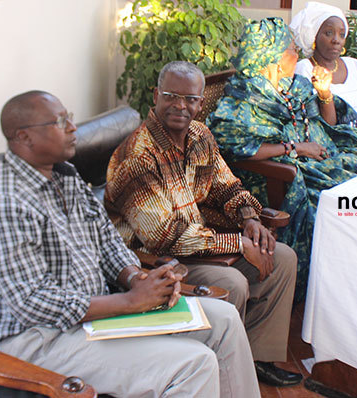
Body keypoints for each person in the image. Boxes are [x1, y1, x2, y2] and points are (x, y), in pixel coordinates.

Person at [0, 91, 259, 397]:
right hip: (41, 339)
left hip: (98, 313)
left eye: (69, 117)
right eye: (61, 122)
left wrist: (138, 279)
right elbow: (32, 300)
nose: (73, 127)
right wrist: (128, 302)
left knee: (224, 319)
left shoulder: (66, 176)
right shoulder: (3, 197)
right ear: (24, 137)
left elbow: (107, 239)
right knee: (195, 363)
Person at [104, 61, 302, 387]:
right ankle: (213, 369)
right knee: (233, 283)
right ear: (155, 96)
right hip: (154, 260)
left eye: (191, 99)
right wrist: (238, 244)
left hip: (197, 243)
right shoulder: (137, 156)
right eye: (171, 96)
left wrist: (249, 219)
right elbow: (163, 236)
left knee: (283, 257)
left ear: (200, 102)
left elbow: (226, 185)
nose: (181, 106)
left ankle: (254, 358)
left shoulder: (199, 135)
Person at [207, 18, 357, 299]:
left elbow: (327, 123)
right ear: (274, 58)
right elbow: (235, 147)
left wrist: (325, 93)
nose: (297, 54)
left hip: (318, 157)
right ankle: (338, 290)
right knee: (343, 206)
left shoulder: (296, 86)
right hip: (276, 177)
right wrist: (296, 148)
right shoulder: (245, 99)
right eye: (292, 49)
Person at [290, 1, 357, 141]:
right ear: (313, 36)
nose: (336, 40)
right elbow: (312, 121)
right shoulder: (304, 69)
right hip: (339, 145)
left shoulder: (355, 66)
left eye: (342, 34)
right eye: (329, 33)